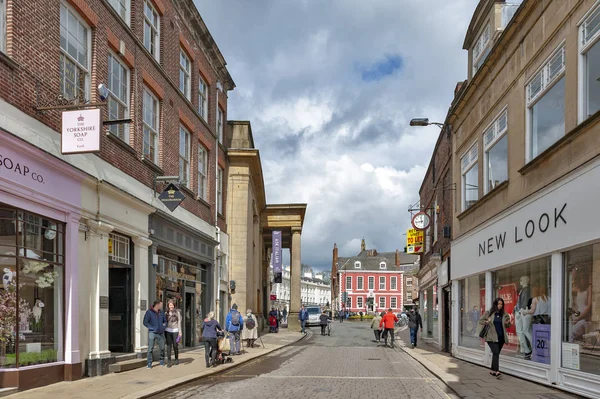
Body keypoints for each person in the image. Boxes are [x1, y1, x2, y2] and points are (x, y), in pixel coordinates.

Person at [479, 297, 511, 378]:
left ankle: (492, 370)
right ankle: (497, 371)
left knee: (496, 354)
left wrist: (508, 323)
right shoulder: (489, 313)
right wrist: (487, 321)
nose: (500, 305)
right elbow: (481, 321)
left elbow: (507, 325)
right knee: (496, 352)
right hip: (491, 337)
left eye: (501, 304)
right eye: (498, 304)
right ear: (495, 304)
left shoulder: (504, 314)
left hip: (501, 337)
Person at [143, 300, 167, 369]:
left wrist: (164, 326)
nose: (162, 306)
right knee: (150, 348)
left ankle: (162, 360)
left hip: (161, 333)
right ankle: (149, 363)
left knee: (162, 348)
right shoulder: (149, 312)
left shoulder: (161, 313)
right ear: (157, 305)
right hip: (152, 333)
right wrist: (152, 328)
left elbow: (165, 321)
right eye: (161, 305)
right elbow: (145, 322)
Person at [165, 300, 182, 367]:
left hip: (175, 330)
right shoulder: (166, 313)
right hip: (168, 330)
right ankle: (169, 361)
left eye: (172, 305)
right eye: (170, 305)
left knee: (175, 345)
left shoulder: (177, 312)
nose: (171, 306)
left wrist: (180, 332)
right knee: (169, 346)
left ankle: (176, 358)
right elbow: (164, 322)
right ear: (168, 306)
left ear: (174, 305)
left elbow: (179, 322)